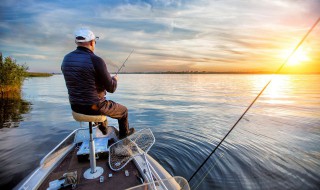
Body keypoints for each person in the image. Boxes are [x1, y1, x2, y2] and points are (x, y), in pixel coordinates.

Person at [61, 28, 134, 139]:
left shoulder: (66, 59)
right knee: (123, 111)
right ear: (91, 42)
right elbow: (111, 88)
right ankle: (124, 139)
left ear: (77, 42)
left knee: (102, 104)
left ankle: (103, 130)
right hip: (94, 107)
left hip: (75, 107)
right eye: (95, 41)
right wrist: (114, 80)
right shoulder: (96, 60)